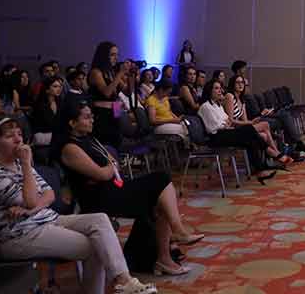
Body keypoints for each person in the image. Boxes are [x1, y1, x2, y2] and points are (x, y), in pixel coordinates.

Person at [0, 117, 156, 294]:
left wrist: (31, 209)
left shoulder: (17, 164)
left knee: (99, 219)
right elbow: (32, 199)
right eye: (10, 136)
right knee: (97, 246)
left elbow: (49, 194)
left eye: (19, 134)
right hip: (18, 236)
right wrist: (27, 165)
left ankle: (123, 281)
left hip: (45, 220)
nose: (18, 139)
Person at [58, 102, 203, 275]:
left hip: (113, 188)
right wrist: (110, 167)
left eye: (92, 116)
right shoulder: (70, 148)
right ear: (72, 123)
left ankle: (166, 256)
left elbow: (111, 163)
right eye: (86, 117)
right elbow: (102, 173)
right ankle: (174, 237)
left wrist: (110, 167)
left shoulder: (88, 139)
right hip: (99, 198)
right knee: (160, 182)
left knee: (160, 194)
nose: (92, 121)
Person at [197, 80, 276, 184]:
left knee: (250, 139)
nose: (220, 91)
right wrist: (224, 124)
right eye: (216, 88)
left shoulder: (218, 105)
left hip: (225, 133)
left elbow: (227, 121)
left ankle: (260, 171)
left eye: (220, 88)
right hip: (216, 137)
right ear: (209, 91)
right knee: (249, 130)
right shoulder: (205, 106)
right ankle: (271, 152)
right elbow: (213, 127)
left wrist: (225, 124)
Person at [225, 76, 292, 165]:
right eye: (237, 82)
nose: (240, 85)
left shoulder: (241, 99)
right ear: (232, 84)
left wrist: (258, 117)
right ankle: (277, 154)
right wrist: (251, 122)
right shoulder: (230, 96)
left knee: (263, 135)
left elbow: (245, 120)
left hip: (242, 127)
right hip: (232, 129)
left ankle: (269, 159)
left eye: (242, 83)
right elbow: (231, 120)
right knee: (265, 124)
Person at [87, 42, 128, 148]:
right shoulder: (96, 72)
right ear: (104, 56)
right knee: (106, 140)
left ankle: (117, 161)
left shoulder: (111, 72)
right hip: (102, 111)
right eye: (112, 55)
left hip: (116, 108)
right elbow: (106, 93)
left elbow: (127, 91)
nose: (116, 58)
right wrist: (120, 73)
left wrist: (132, 76)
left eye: (117, 55)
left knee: (117, 138)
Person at [144, 79, 188, 144]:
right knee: (185, 129)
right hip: (159, 125)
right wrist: (171, 120)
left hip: (170, 122)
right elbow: (152, 121)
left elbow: (169, 111)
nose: (168, 95)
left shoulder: (164, 98)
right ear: (161, 90)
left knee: (189, 125)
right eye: (167, 92)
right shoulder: (151, 101)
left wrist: (177, 119)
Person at [30, 76, 65, 146]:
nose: (59, 89)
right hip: (43, 134)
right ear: (47, 90)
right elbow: (49, 124)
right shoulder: (39, 105)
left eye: (60, 86)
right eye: (55, 86)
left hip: (55, 133)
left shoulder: (59, 102)